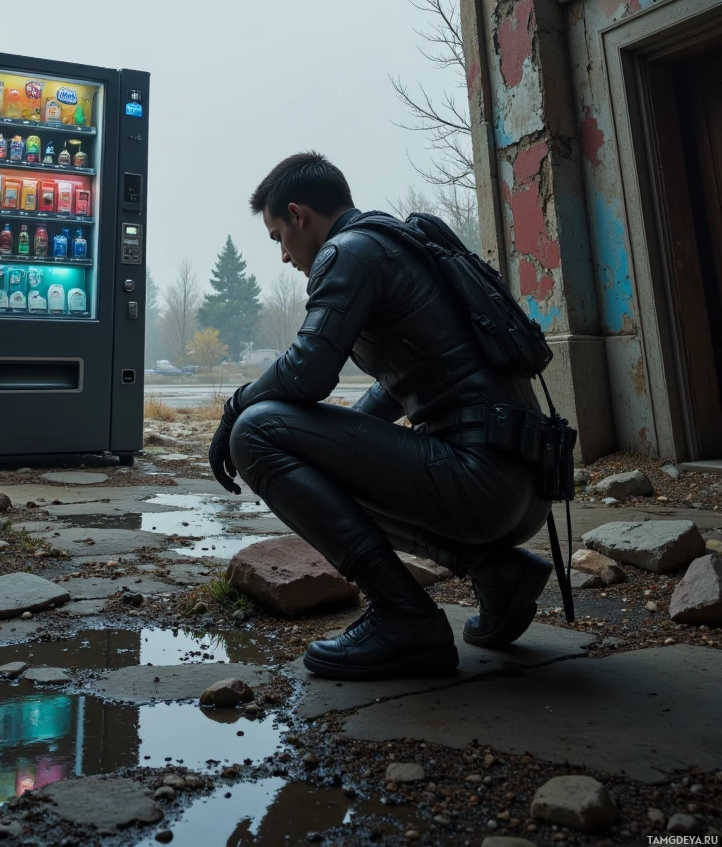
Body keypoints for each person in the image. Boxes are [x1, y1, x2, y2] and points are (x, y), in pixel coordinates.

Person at [208, 151, 553, 680]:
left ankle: (403, 617)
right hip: (520, 483)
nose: (282, 256)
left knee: (257, 432)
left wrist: (235, 407)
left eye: (278, 236)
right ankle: (493, 571)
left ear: (299, 216)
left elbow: (306, 372)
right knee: (288, 437)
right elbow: (392, 392)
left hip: (480, 481)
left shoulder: (348, 252)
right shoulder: (392, 243)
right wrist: (328, 443)